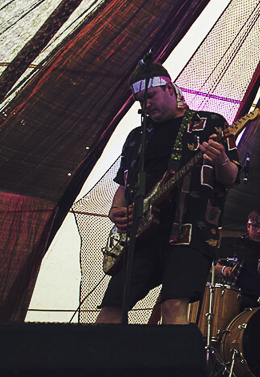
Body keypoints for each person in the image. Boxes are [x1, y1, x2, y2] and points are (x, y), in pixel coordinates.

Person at [97, 62, 239, 324]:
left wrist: (220, 160)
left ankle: (174, 366)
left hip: (189, 231)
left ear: (170, 89)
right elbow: (123, 186)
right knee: (111, 309)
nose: (146, 105)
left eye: (150, 96)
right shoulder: (136, 138)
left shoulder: (210, 123)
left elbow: (231, 177)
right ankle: (104, 364)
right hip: (141, 236)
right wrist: (116, 211)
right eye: (141, 100)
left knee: (173, 304)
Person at [217, 210, 260, 310]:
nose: (258, 231)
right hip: (238, 296)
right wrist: (223, 269)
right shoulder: (236, 245)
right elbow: (213, 265)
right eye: (254, 227)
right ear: (248, 227)